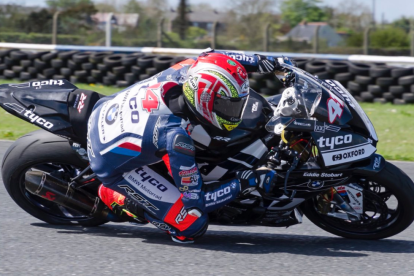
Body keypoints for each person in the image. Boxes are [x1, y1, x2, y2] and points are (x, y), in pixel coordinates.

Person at [87, 49, 281, 243]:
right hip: (109, 160)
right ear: (204, 100)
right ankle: (115, 197)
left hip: (107, 107)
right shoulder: (175, 137)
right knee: (191, 224)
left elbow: (215, 55)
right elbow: (197, 200)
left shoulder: (192, 69)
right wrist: (244, 183)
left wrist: (265, 61)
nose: (235, 113)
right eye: (228, 106)